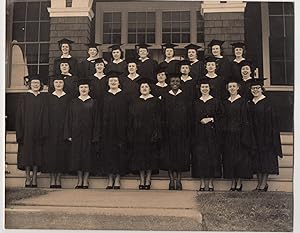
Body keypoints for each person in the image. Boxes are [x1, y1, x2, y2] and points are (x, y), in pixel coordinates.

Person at [247, 78, 282, 192]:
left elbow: (273, 121)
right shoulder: (249, 103)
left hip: (266, 136)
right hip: (254, 135)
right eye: (253, 88)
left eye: (257, 88)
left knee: (265, 160)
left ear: (262, 89)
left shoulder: (268, 102)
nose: (255, 90)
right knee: (256, 160)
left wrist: (270, 136)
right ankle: (259, 184)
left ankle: (264, 184)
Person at [64, 78, 99, 189]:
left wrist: (95, 135)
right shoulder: (73, 102)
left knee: (87, 156)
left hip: (89, 134)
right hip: (76, 134)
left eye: (85, 87)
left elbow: (97, 120)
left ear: (89, 89)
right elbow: (68, 119)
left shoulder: (93, 102)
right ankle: (79, 180)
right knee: (77, 157)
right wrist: (68, 134)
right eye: (81, 87)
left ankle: (86, 180)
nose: (83, 89)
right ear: (78, 89)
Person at [16, 74, 48, 188]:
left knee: (37, 155)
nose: (35, 85)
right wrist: (20, 133)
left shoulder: (43, 98)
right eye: (33, 83)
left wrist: (44, 131)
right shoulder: (23, 97)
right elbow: (19, 116)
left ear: (40, 85)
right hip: (26, 131)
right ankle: (27, 177)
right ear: (30, 84)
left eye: (37, 83)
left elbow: (46, 116)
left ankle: (34, 177)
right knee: (27, 156)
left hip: (39, 131)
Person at [99, 71, 130, 189]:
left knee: (119, 153)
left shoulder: (124, 95)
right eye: (111, 81)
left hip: (121, 130)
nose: (113, 82)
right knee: (108, 154)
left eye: (115, 81)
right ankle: (110, 178)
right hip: (107, 130)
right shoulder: (104, 96)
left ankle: (117, 178)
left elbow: (128, 113)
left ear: (119, 83)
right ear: (108, 83)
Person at [160, 73, 191, 190]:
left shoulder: (185, 96)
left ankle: (179, 180)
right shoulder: (165, 96)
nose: (175, 84)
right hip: (168, 132)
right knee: (170, 157)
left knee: (180, 156)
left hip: (181, 132)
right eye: (172, 81)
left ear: (180, 83)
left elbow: (188, 115)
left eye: (177, 81)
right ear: (169, 83)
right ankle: (171, 180)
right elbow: (162, 114)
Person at [191, 78, 223, 191]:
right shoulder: (196, 102)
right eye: (202, 87)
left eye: (206, 87)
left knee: (211, 156)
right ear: (200, 89)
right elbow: (192, 118)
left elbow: (221, 117)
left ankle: (210, 183)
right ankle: (202, 183)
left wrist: (211, 119)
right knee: (201, 158)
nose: (204, 89)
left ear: (210, 88)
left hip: (212, 134)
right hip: (199, 134)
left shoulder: (216, 101)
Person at [128, 82, 161, 190]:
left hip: (151, 133)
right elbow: (131, 118)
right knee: (140, 156)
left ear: (150, 89)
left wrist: (156, 132)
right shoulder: (135, 101)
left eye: (146, 87)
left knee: (150, 156)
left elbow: (159, 118)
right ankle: (142, 178)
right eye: (142, 87)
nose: (144, 88)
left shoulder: (156, 101)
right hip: (138, 133)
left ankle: (148, 179)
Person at [222, 80, 253, 191]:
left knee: (239, 159)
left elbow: (245, 119)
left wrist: (244, 133)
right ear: (227, 88)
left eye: (234, 86)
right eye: (230, 86)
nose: (232, 88)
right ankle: (233, 182)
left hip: (239, 134)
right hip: (228, 134)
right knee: (230, 158)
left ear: (238, 88)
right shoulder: (225, 102)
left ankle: (239, 182)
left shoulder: (243, 102)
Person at [42, 76, 72, 188]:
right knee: (51, 155)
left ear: (63, 84)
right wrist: (45, 130)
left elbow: (70, 115)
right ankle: (52, 179)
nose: (58, 84)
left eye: (60, 82)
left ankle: (58, 179)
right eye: (56, 82)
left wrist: (68, 131)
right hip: (51, 130)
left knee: (61, 154)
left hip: (63, 130)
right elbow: (45, 115)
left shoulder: (68, 98)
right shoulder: (49, 98)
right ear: (53, 84)